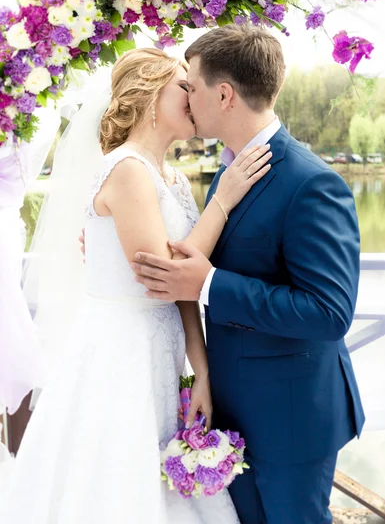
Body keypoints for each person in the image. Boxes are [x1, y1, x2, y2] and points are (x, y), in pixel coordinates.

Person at [0, 47, 272, 523]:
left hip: (163, 353)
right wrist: (223, 201)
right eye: (182, 87)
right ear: (150, 97)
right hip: (119, 354)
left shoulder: (173, 178)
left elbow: (185, 292)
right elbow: (166, 279)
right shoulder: (126, 169)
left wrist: (201, 369)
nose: (193, 96)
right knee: (118, 480)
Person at [131, 25, 365, 524]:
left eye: (190, 86)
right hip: (232, 412)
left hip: (291, 418)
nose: (186, 97)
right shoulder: (228, 171)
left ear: (224, 94)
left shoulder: (311, 183)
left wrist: (209, 285)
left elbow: (328, 313)